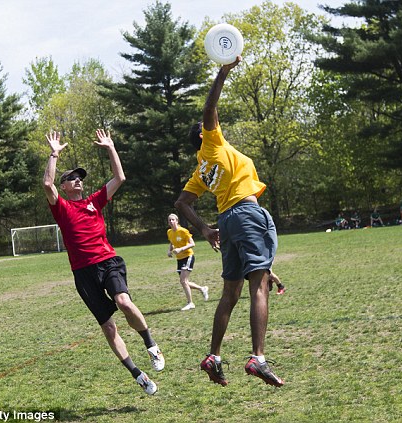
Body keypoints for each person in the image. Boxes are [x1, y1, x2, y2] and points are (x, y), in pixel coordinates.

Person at [175, 56, 283, 388]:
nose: (215, 125)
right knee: (258, 289)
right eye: (210, 126)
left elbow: (181, 203)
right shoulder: (214, 143)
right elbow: (209, 111)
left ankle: (214, 356)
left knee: (230, 294)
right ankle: (258, 358)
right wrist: (222, 72)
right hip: (247, 214)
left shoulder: (202, 168)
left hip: (227, 221)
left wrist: (205, 228)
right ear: (205, 134)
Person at [43, 129, 164, 395]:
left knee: (124, 301)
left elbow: (119, 177)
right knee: (109, 326)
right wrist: (53, 154)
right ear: (64, 187)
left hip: (108, 261)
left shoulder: (94, 202)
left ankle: (151, 344)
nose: (76, 180)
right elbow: (46, 185)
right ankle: (137, 374)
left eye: (79, 178)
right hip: (84, 274)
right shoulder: (62, 208)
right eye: (70, 178)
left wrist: (110, 147)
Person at [166, 213, 209, 310]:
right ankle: (202, 288)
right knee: (185, 282)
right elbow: (172, 242)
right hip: (179, 259)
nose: (171, 221)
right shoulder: (169, 232)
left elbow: (192, 244)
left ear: (177, 221)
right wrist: (169, 251)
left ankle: (190, 303)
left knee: (183, 281)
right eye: (169, 220)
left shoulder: (183, 231)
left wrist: (181, 249)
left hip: (188, 256)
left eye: (173, 219)